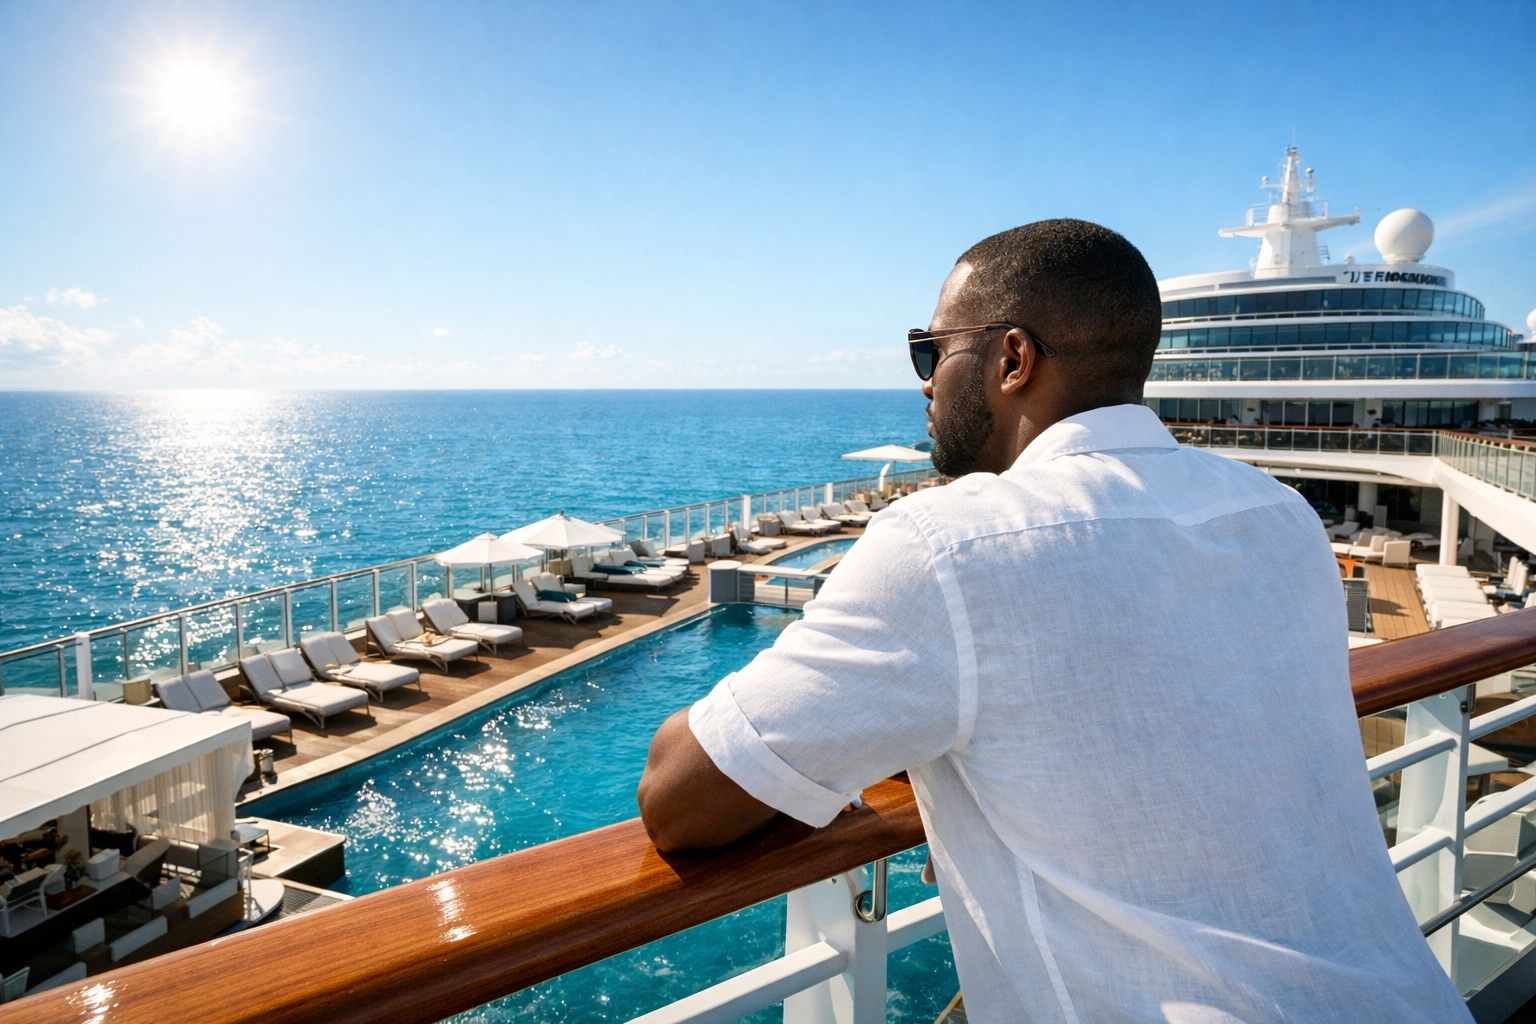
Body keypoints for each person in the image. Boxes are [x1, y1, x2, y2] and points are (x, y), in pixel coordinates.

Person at [637, 219, 1469, 1022]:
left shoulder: (950, 546)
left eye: (931, 352)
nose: (925, 381)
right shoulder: (1279, 516)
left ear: (1011, 357)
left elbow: (681, 798)